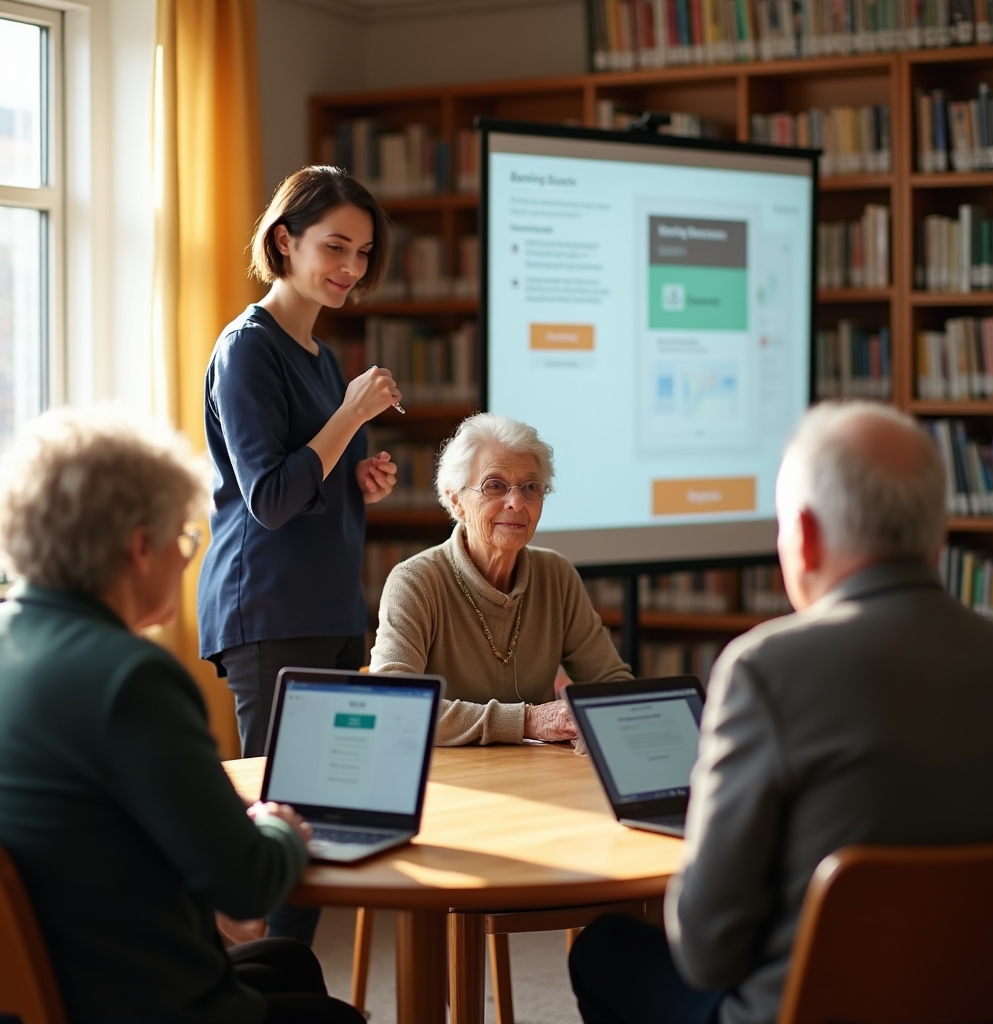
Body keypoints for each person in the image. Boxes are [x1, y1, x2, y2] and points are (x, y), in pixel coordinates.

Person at [568, 400, 993, 1024]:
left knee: (604, 950)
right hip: (987, 1006)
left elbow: (707, 952)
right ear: (939, 534)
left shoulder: (766, 670)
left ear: (804, 537)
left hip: (802, 1012)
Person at [0, 406, 363, 1024]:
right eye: (184, 539)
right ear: (141, 547)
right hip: (133, 996)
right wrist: (281, 829)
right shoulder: (129, 677)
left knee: (285, 962)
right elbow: (248, 884)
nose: (187, 557)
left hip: (55, 975)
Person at [198, 166, 401, 941]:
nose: (351, 267)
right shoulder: (247, 349)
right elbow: (272, 499)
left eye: (363, 252)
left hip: (329, 605)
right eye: (335, 247)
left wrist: (358, 476)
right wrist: (349, 417)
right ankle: (276, 987)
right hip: (270, 607)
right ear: (285, 241)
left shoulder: (318, 355)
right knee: (286, 826)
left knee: (322, 819)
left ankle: (290, 984)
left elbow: (308, 474)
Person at [370, 412, 631, 745]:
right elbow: (393, 705)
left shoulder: (556, 575)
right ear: (456, 501)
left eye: (531, 487)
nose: (516, 503)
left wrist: (601, 718)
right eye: (494, 485)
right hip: (450, 773)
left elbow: (613, 684)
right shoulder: (415, 582)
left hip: (538, 770)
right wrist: (527, 721)